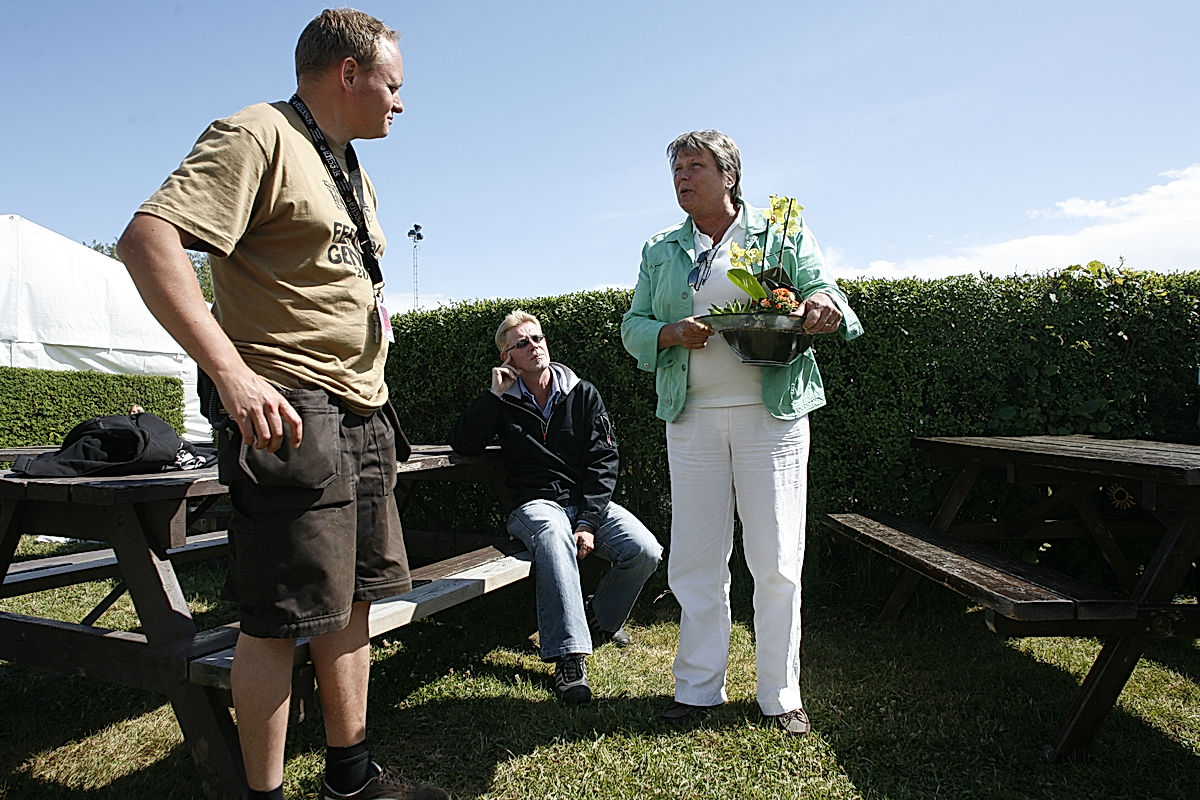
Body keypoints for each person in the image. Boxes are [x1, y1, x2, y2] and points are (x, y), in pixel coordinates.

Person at [116, 9, 448, 800]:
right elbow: (146, 239)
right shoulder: (256, 133)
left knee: (353, 603)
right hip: (293, 414)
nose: (401, 102)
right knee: (279, 619)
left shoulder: (348, 164)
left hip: (363, 410)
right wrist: (232, 374)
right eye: (393, 85)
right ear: (348, 73)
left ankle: (350, 780)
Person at [620, 130, 863, 735]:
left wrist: (824, 307)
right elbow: (634, 325)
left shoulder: (780, 232)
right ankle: (698, 689)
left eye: (695, 166)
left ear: (729, 176)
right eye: (677, 169)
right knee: (696, 557)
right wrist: (670, 333)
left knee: (776, 558)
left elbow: (825, 290)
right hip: (692, 417)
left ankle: (780, 695)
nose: (682, 177)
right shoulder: (660, 249)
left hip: (771, 415)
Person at [449, 311, 663, 704]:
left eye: (538, 338)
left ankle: (600, 620)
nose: (534, 346)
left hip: (584, 504)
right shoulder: (503, 401)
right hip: (535, 507)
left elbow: (604, 460)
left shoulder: (582, 393)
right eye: (522, 343)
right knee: (554, 537)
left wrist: (589, 521)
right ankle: (569, 657)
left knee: (644, 549)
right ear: (507, 357)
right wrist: (493, 395)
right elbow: (463, 444)